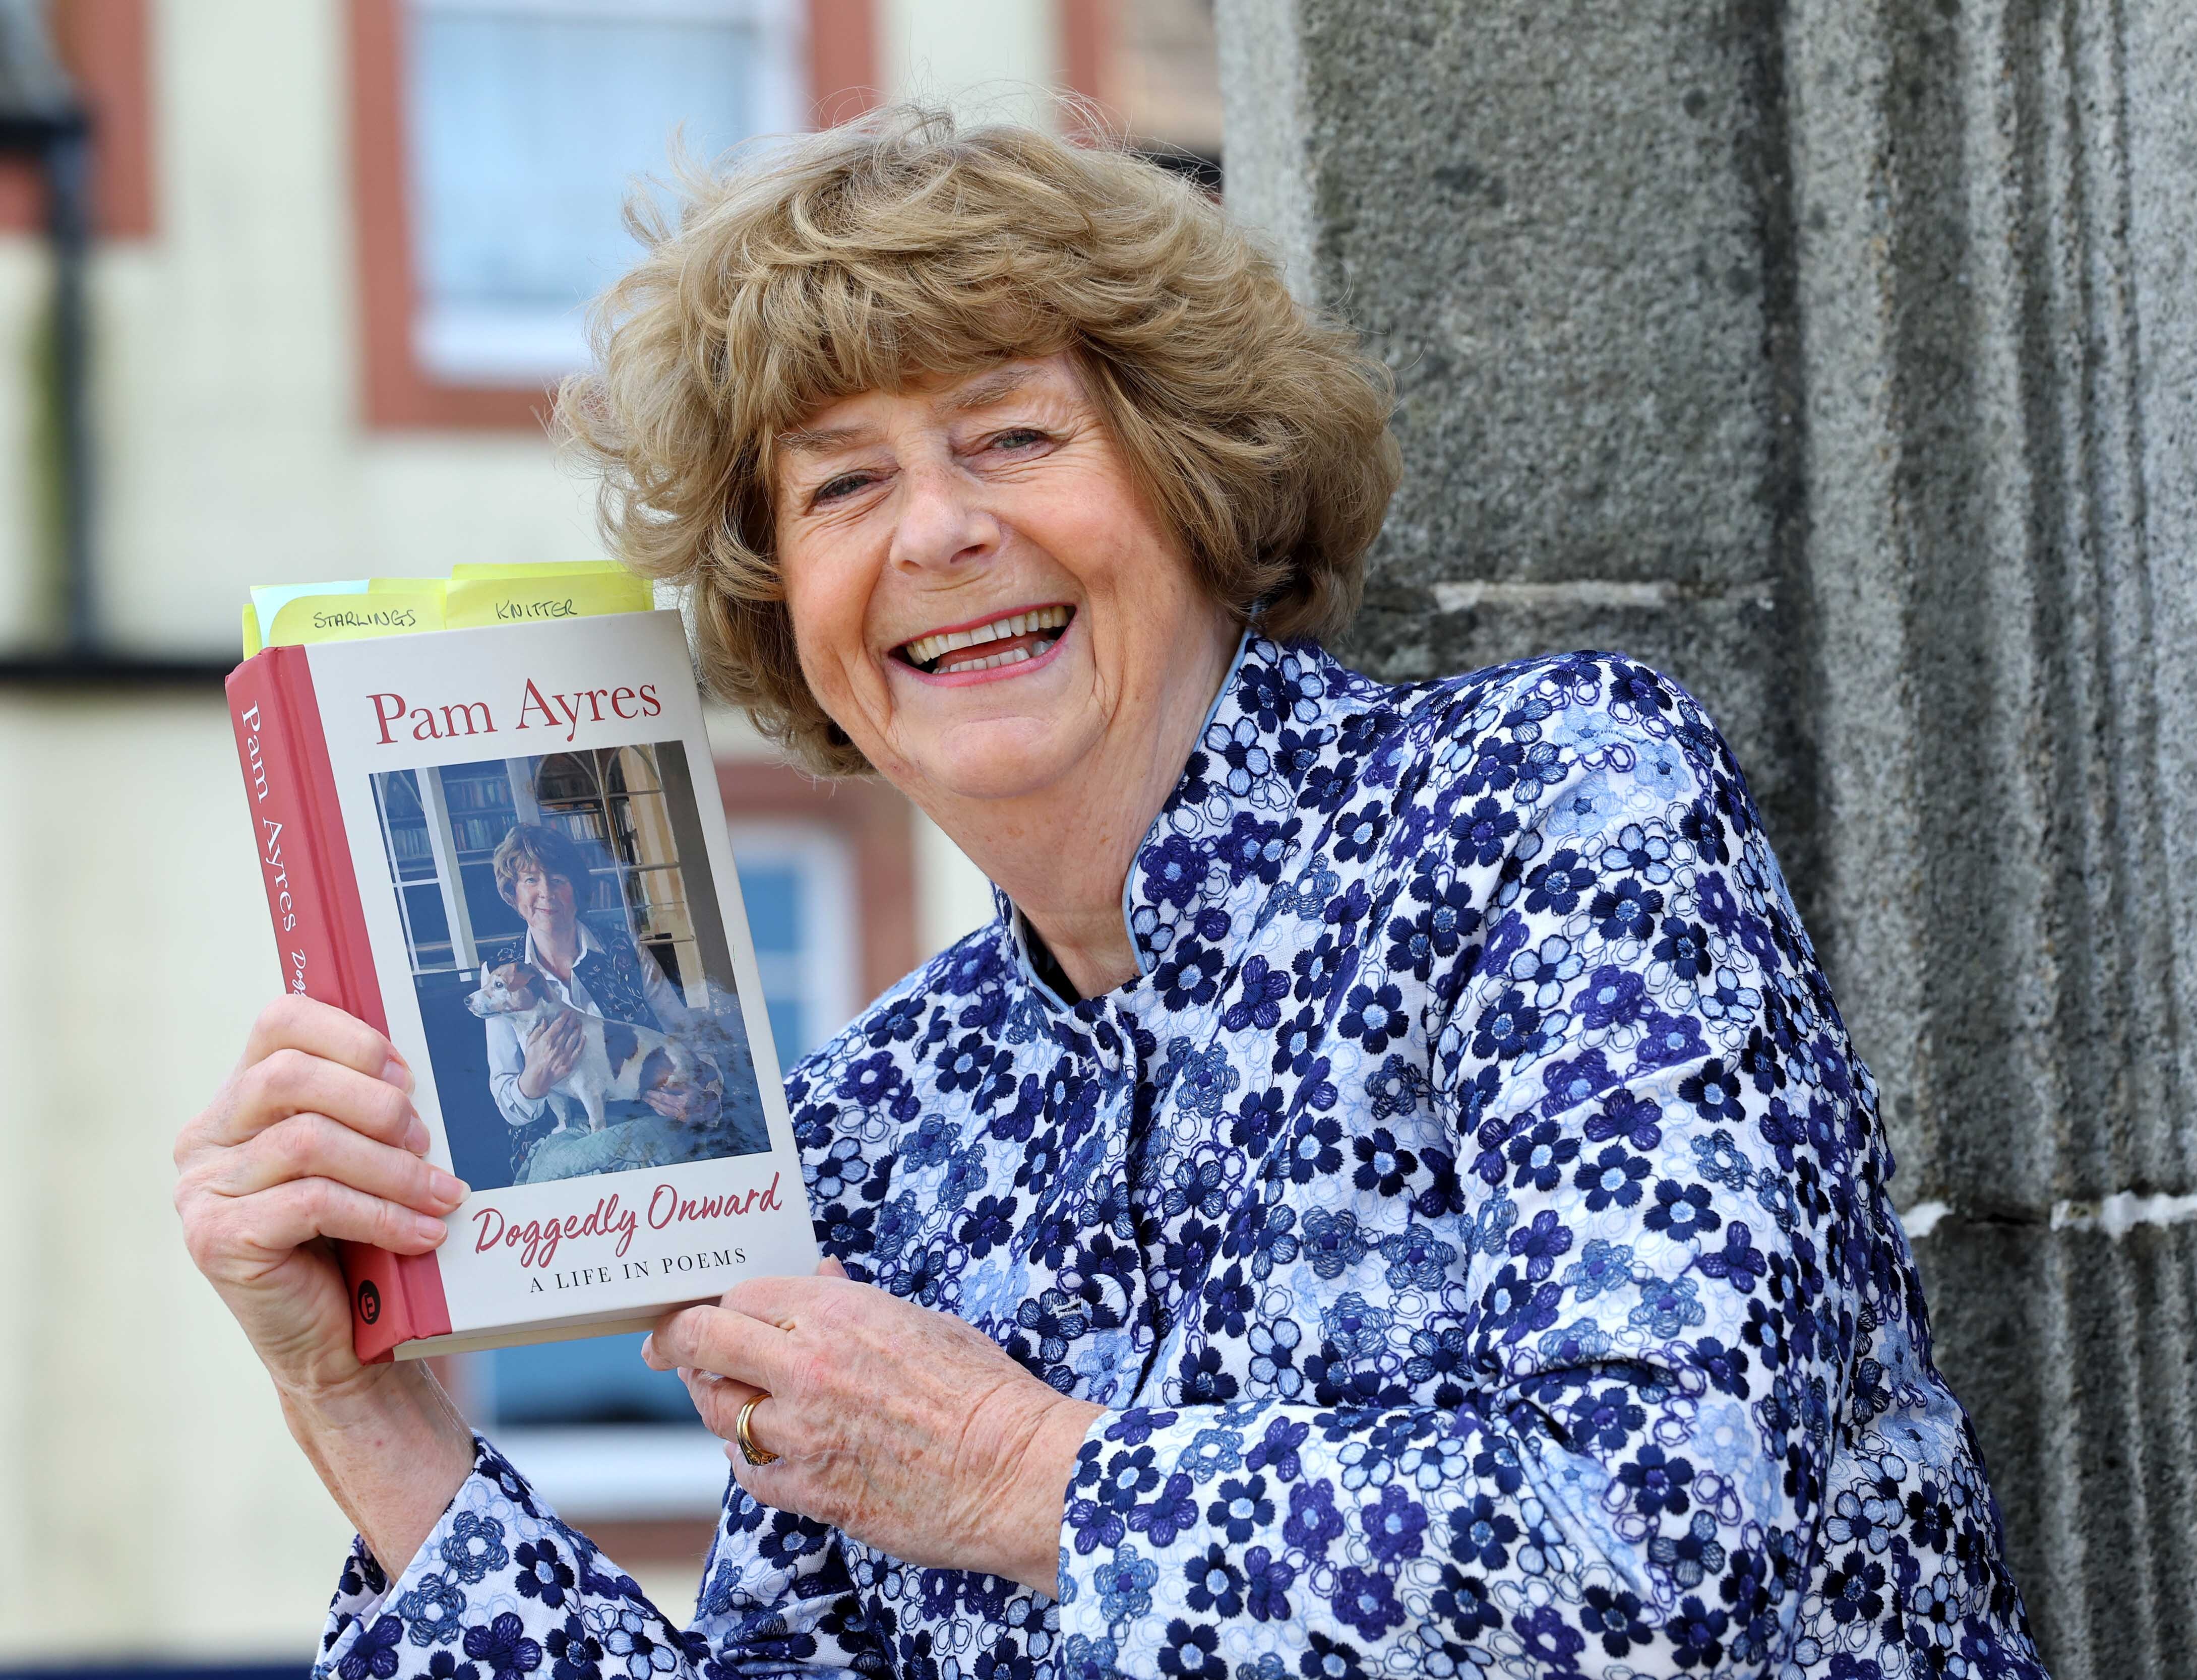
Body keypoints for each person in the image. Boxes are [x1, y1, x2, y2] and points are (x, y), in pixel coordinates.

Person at [172, 108, 2048, 1678]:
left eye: (1009, 436)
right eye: (839, 489)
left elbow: (1667, 1551)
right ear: (790, 628)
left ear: (1194, 486)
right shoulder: (871, 1122)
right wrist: (365, 1415)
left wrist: (1014, 1470)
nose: (935, 534)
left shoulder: (1544, 812)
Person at [475, 822, 717, 1179]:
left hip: (646, 1121)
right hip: (561, 1141)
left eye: (558, 879)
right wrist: (534, 1080)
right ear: (513, 893)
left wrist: (706, 1097)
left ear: (577, 887)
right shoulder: (502, 981)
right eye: (530, 880)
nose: (546, 892)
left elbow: (694, 1042)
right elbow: (508, 1100)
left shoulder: (625, 952)